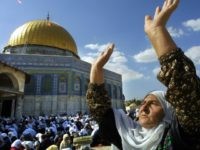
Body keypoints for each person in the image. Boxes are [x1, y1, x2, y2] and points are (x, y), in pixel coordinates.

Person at [86, 0, 200, 149]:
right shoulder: (126, 136)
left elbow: (187, 93)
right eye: (143, 103)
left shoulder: (177, 137)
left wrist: (157, 32)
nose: (144, 107)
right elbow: (99, 110)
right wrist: (96, 70)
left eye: (153, 103)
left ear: (167, 111)